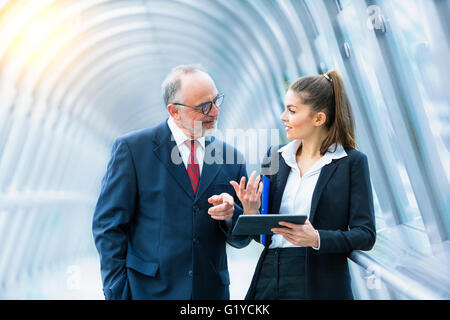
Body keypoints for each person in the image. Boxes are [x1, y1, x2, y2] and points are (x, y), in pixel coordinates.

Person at [92, 65, 251, 300]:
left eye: (217, 100)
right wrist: (118, 291)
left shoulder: (232, 158)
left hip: (209, 294)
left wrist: (231, 215)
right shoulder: (133, 150)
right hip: (147, 292)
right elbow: (108, 227)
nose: (215, 112)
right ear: (174, 111)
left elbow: (241, 240)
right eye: (204, 107)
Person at [228, 70, 376, 300]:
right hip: (269, 275)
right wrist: (251, 211)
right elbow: (266, 237)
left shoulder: (351, 163)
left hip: (318, 280)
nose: (282, 117)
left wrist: (316, 238)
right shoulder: (275, 157)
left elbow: (365, 234)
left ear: (318, 119)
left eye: (292, 110)